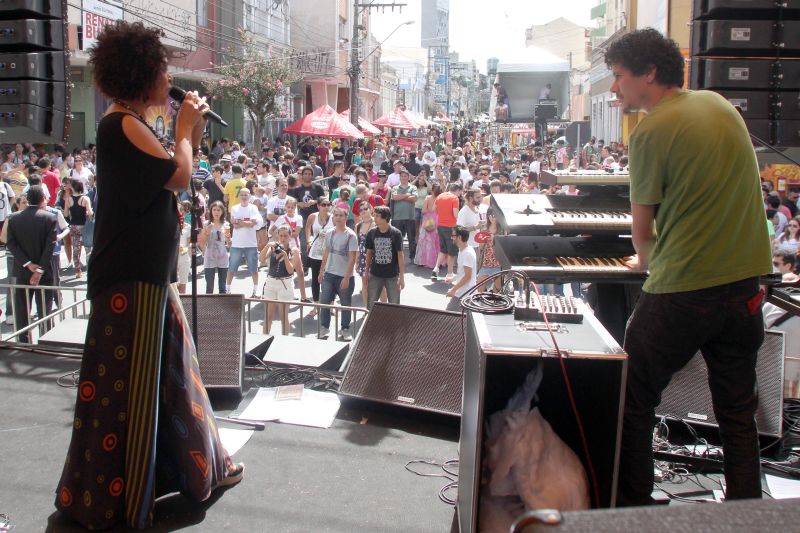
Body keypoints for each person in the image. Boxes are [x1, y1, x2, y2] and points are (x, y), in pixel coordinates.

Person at [55, 23, 242, 531]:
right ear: (141, 74)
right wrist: (183, 131)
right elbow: (178, 176)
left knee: (179, 378)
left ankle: (207, 467)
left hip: (150, 277)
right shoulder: (121, 125)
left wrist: (192, 132)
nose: (169, 77)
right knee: (130, 393)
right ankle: (118, 501)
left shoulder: (137, 123)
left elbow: (178, 171)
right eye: (162, 69)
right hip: (130, 282)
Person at [605, 29, 771, 507]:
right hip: (744, 288)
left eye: (618, 77)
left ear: (649, 73)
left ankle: (636, 508)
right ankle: (744, 511)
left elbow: (642, 231)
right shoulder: (721, 106)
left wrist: (642, 261)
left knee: (632, 399)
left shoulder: (651, 130)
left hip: (684, 289)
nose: (614, 89)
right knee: (737, 410)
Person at [5, 185, 57, 342]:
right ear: (42, 199)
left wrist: (28, 264)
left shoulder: (14, 218)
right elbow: (50, 246)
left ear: (27, 199)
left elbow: (11, 244)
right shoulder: (49, 217)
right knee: (44, 311)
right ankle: (46, 340)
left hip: (23, 271)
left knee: (22, 310)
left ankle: (23, 342)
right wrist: (39, 269)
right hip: (44, 272)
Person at [318, 207, 358, 341]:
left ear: (345, 218)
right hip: (329, 274)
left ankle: (345, 328)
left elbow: (352, 258)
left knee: (345, 304)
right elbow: (326, 252)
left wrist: (347, 277)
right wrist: (321, 271)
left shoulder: (351, 235)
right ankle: (324, 327)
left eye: (341, 215)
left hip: (344, 276)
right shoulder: (329, 233)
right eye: (336, 215)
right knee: (324, 301)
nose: (338, 218)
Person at [364, 206, 405, 309]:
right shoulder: (372, 233)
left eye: (377, 216)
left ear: (385, 217)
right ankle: (371, 323)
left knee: (394, 305)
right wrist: (366, 272)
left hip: (392, 275)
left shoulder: (396, 233)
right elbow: (369, 253)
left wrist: (402, 278)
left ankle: (394, 324)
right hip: (375, 274)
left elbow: (400, 255)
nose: (374, 217)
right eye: (375, 215)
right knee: (371, 305)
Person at [226, 187, 263, 297]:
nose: (244, 197)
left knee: (254, 268)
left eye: (246, 195)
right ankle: (228, 288)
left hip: (251, 243)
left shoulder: (253, 208)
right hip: (237, 243)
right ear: (239, 196)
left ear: (249, 196)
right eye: (242, 195)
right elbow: (236, 226)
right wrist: (247, 223)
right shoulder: (234, 208)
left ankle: (256, 289)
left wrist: (239, 221)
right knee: (232, 267)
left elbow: (253, 224)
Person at [259, 225, 295, 334]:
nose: (283, 238)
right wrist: (267, 246)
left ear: (290, 236)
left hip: (285, 284)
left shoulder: (293, 250)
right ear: (277, 236)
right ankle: (263, 340)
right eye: (281, 236)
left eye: (285, 236)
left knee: (283, 316)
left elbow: (290, 271)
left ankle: (284, 341)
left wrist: (285, 256)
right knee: (268, 316)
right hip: (271, 282)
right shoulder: (274, 247)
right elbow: (262, 259)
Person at [305, 198, 334, 317]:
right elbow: (307, 227)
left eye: (328, 204)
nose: (326, 207)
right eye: (323, 204)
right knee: (316, 279)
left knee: (331, 279)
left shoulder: (333, 217)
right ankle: (316, 306)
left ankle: (331, 305)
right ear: (318, 206)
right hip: (315, 253)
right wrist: (308, 241)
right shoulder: (313, 216)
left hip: (330, 253)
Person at [62, 179, 93, 278]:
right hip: (85, 226)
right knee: (88, 249)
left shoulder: (68, 199)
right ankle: (89, 270)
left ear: (72, 187)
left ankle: (77, 271)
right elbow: (90, 213)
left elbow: (66, 213)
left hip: (74, 225)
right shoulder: (85, 198)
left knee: (76, 249)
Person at [198, 200, 230, 294]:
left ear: (222, 212)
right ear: (211, 211)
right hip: (210, 256)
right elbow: (202, 244)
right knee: (209, 287)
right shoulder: (206, 224)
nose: (216, 212)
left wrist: (229, 240)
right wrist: (207, 232)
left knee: (222, 287)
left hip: (222, 256)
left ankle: (222, 307)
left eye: (219, 210)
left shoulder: (226, 224)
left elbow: (229, 244)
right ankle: (210, 307)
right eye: (214, 210)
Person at [434, 182, 462, 280]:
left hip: (440, 225)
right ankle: (450, 273)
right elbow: (455, 214)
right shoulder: (455, 198)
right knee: (452, 251)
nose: (460, 194)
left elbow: (434, 210)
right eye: (460, 192)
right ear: (458, 190)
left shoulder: (440, 196)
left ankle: (436, 268)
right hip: (451, 227)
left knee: (443, 249)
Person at [445, 225, 476, 311]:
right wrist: (453, 278)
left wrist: (453, 290)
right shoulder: (463, 250)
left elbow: (468, 276)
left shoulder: (467, 253)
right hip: (463, 293)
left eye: (453, 236)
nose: (452, 238)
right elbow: (463, 273)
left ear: (459, 237)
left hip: (464, 293)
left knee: (448, 316)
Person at [390, 169, 418, 261]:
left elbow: (414, 199)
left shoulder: (413, 187)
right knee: (397, 239)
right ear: (400, 177)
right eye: (402, 176)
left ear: (408, 177)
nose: (403, 178)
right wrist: (407, 195)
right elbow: (394, 197)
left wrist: (400, 197)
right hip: (397, 217)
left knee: (411, 239)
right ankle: (395, 256)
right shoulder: (395, 188)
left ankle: (412, 257)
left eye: (405, 176)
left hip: (410, 217)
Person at [355, 201, 376, 307]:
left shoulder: (377, 223)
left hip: (377, 259)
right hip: (363, 259)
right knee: (365, 284)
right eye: (361, 210)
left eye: (365, 209)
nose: (363, 211)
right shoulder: (358, 226)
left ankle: (383, 309)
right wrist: (356, 261)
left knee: (380, 285)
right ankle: (367, 309)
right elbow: (357, 245)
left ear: (371, 209)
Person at [416, 182, 441, 269]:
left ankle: (423, 261)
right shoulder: (440, 199)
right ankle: (438, 262)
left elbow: (423, 211)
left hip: (428, 220)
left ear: (432, 190)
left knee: (425, 241)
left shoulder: (428, 198)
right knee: (436, 241)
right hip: (437, 220)